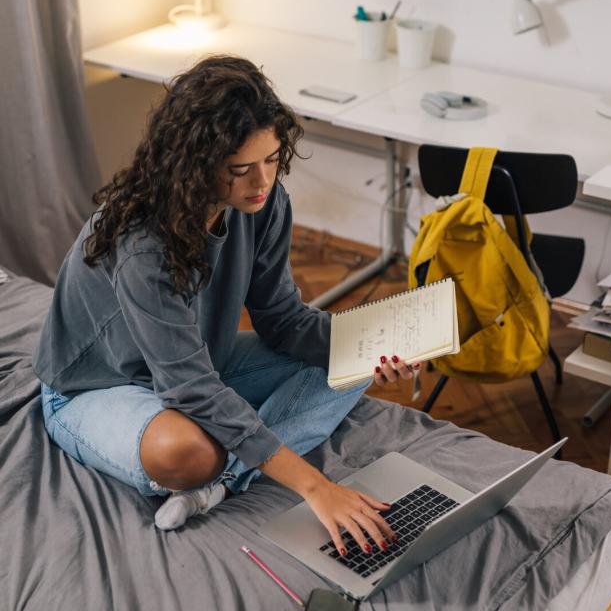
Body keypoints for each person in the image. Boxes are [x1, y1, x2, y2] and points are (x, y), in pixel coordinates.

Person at [33, 55, 417, 558]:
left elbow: (282, 320)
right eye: (240, 169)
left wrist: (380, 348)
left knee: (354, 354)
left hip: (195, 366)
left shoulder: (264, 201)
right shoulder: (143, 241)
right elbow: (191, 390)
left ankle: (222, 486)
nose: (261, 182)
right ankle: (213, 473)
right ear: (195, 163)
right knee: (191, 451)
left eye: (272, 159)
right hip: (95, 387)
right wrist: (315, 486)